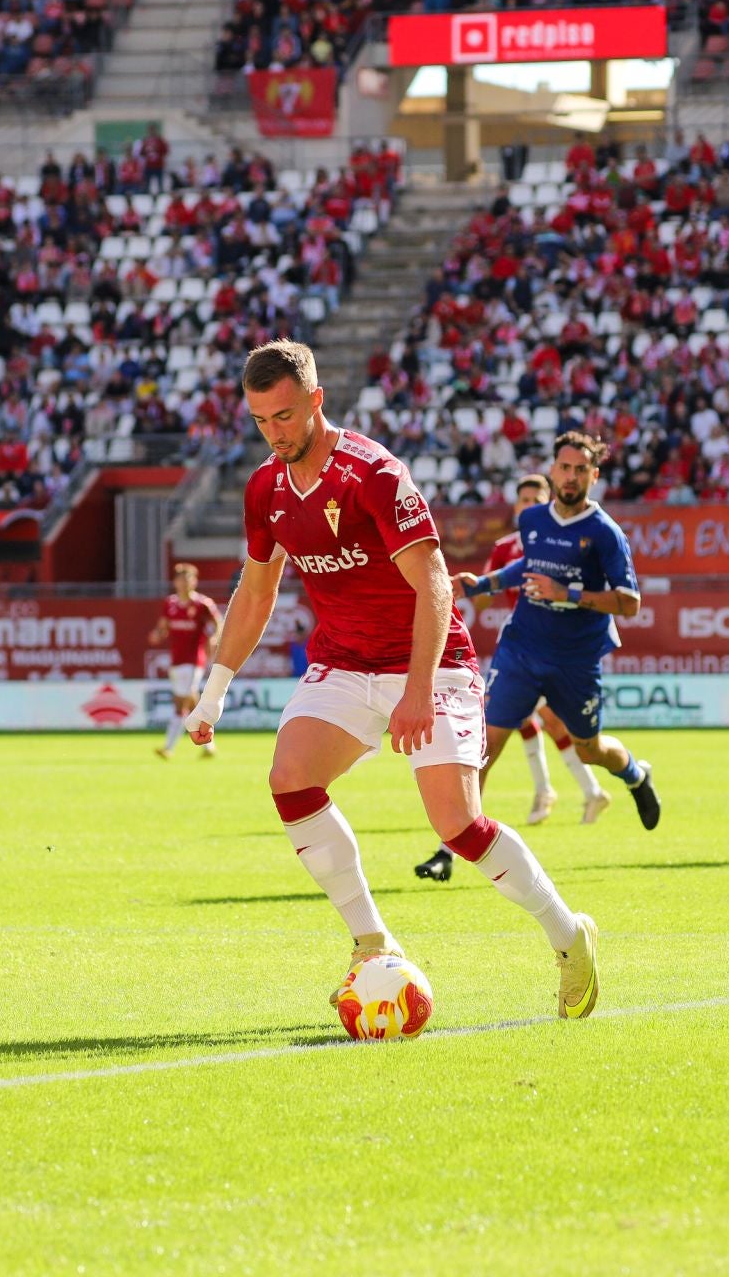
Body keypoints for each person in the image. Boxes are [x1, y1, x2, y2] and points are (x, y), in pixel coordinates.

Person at [181, 340, 602, 1019]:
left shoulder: (373, 472)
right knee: (290, 778)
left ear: (316, 401)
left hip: (431, 664)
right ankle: (371, 943)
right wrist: (214, 692)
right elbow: (255, 591)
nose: (274, 433)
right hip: (344, 661)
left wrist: (417, 689)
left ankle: (567, 935)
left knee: (457, 823)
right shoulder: (265, 488)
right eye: (260, 421)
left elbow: (433, 582)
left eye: (285, 416)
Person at [414, 433, 660, 883]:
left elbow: (629, 602)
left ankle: (634, 775)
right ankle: (447, 850)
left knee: (589, 750)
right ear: (553, 470)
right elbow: (528, 567)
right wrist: (485, 583)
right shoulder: (532, 519)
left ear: (594, 476)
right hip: (522, 650)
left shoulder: (605, 533)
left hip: (576, 660)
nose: (571, 476)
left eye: (580, 470)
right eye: (564, 467)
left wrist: (568, 594)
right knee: (484, 748)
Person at [459, 472, 612, 832]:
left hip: (555, 646)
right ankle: (572, 791)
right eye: (523, 500)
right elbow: (482, 600)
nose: (527, 506)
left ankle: (567, 790)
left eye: (535, 500)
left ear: (549, 503)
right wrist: (480, 586)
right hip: (521, 645)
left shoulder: (561, 542)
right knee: (529, 720)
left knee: (543, 721)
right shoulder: (505, 547)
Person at [149, 562, 222, 759]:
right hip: (176, 660)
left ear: (194, 582)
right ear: (175, 582)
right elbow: (163, 627)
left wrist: (214, 638)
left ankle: (168, 747)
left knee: (181, 701)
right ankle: (209, 747)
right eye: (180, 579)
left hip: (194, 660)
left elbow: (218, 622)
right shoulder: (170, 603)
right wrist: (158, 634)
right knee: (191, 704)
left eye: (187, 579)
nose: (183, 583)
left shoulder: (202, 604)